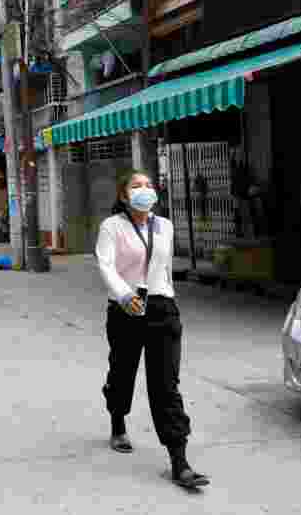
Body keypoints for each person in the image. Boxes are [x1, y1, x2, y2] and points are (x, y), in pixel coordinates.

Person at [95, 170, 209, 489]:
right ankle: (118, 421)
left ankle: (179, 460)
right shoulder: (112, 226)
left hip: (161, 309)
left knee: (166, 385)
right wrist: (124, 294)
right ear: (123, 195)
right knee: (122, 372)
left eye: (148, 185)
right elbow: (105, 264)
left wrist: (167, 298)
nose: (144, 190)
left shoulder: (165, 226)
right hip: (125, 308)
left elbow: (163, 269)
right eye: (136, 185)